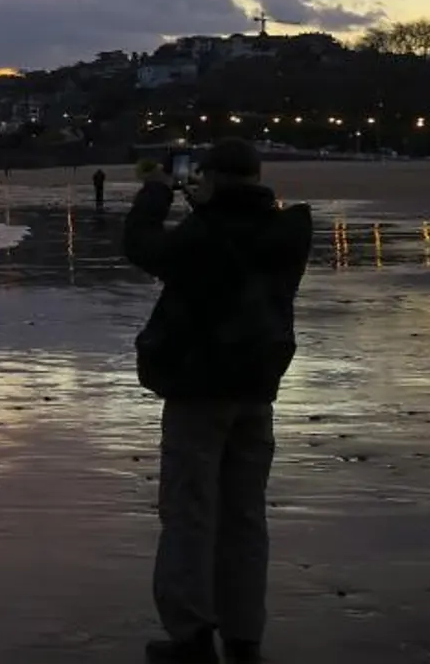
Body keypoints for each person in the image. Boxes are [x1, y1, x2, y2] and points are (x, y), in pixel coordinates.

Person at [123, 139, 312, 663]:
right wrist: (206, 204)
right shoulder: (287, 232)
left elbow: (142, 245)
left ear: (208, 178)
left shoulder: (203, 234)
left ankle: (190, 635)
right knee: (245, 513)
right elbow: (234, 239)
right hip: (257, 386)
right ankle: (244, 633)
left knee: (190, 510)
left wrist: (155, 194)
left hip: (199, 388)